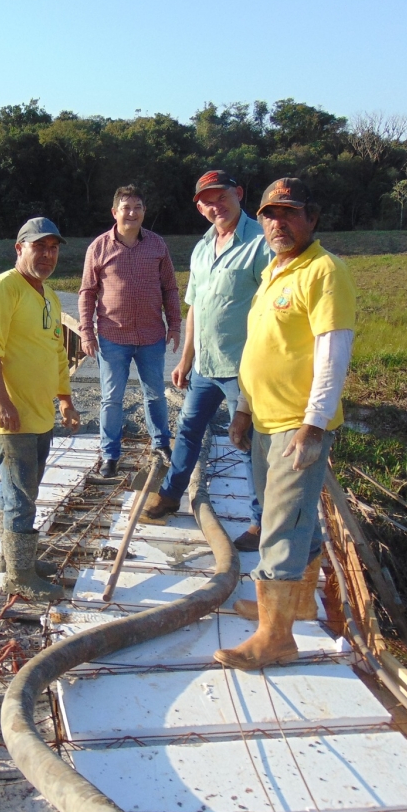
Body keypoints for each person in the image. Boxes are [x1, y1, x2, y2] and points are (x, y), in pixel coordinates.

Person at [215, 178, 356, 670]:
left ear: (311, 218)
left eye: (289, 213)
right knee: (298, 522)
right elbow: (261, 350)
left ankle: (276, 637)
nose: (278, 222)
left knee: (279, 525)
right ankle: (294, 604)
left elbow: (333, 351)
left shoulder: (323, 271)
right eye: (270, 214)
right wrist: (244, 409)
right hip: (265, 422)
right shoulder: (275, 271)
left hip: (298, 425)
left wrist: (314, 424)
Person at [141, 170, 268, 552]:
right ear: (199, 207)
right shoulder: (202, 248)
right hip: (205, 366)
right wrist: (185, 359)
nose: (215, 206)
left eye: (221, 197)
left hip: (243, 367)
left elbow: (271, 311)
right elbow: (194, 307)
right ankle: (170, 494)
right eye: (206, 201)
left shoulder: (261, 244)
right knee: (189, 430)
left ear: (239, 194)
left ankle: (260, 522)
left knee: (245, 441)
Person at [0, 217, 82, 600]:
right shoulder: (2, 289)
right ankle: (20, 576)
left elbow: (55, 352)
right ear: (20, 249)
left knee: (22, 490)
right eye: (40, 247)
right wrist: (2, 403)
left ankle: (14, 559)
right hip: (11, 416)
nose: (48, 255)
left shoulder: (48, 296)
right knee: (21, 495)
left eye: (53, 248)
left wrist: (65, 400)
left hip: (39, 414)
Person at [78, 185, 180, 478]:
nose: (132, 212)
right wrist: (87, 332)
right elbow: (86, 293)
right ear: (115, 212)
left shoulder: (158, 245)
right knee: (111, 398)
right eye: (126, 207)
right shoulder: (98, 247)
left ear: (144, 212)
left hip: (151, 336)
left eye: (137, 207)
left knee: (156, 394)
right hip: (113, 337)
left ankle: (160, 443)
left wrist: (175, 325)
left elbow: (170, 288)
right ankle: (109, 455)